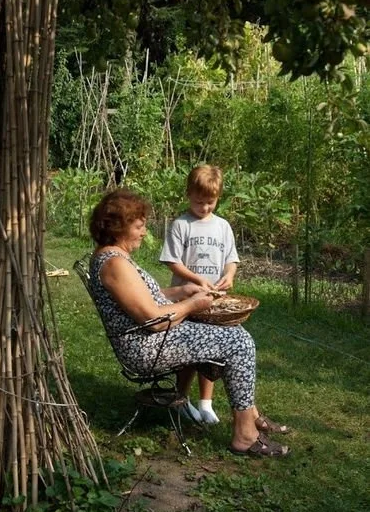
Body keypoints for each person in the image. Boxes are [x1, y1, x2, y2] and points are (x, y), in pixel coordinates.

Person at [89, 188, 290, 457]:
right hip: (146, 347)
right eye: (139, 226)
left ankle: (250, 416)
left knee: (233, 332)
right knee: (239, 342)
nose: (144, 232)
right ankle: (245, 435)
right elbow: (153, 319)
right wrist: (193, 304)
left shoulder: (114, 258)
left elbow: (143, 298)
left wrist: (182, 292)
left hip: (151, 339)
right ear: (118, 228)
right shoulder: (113, 263)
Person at [160, 165, 239, 425]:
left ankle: (206, 403)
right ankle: (181, 398)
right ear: (188, 195)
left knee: (213, 350)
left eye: (210, 202)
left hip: (214, 301)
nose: (204, 207)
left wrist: (229, 274)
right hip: (187, 300)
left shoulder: (223, 227)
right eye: (199, 202)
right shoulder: (181, 225)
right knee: (189, 351)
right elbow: (172, 261)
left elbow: (231, 259)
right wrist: (196, 279)